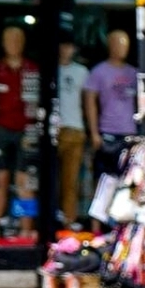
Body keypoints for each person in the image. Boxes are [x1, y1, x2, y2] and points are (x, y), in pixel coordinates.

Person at [0, 25, 41, 238]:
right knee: (1, 179)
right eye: (9, 40)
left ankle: (25, 229)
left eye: (18, 40)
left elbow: (39, 102)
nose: (13, 44)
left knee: (25, 181)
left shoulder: (32, 69)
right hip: (2, 128)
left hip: (27, 130)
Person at [83, 29, 138, 232]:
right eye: (118, 43)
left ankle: (121, 228)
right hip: (107, 131)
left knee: (128, 181)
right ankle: (96, 228)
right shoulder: (99, 72)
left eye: (125, 44)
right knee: (103, 181)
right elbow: (90, 101)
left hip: (130, 133)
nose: (122, 48)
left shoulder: (134, 73)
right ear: (110, 45)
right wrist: (94, 132)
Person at [56, 32, 90, 226]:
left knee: (71, 180)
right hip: (52, 129)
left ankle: (69, 220)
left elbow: (87, 103)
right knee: (51, 179)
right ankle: (47, 218)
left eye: (69, 46)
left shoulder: (82, 72)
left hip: (75, 128)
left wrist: (88, 128)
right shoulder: (48, 69)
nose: (65, 50)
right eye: (62, 45)